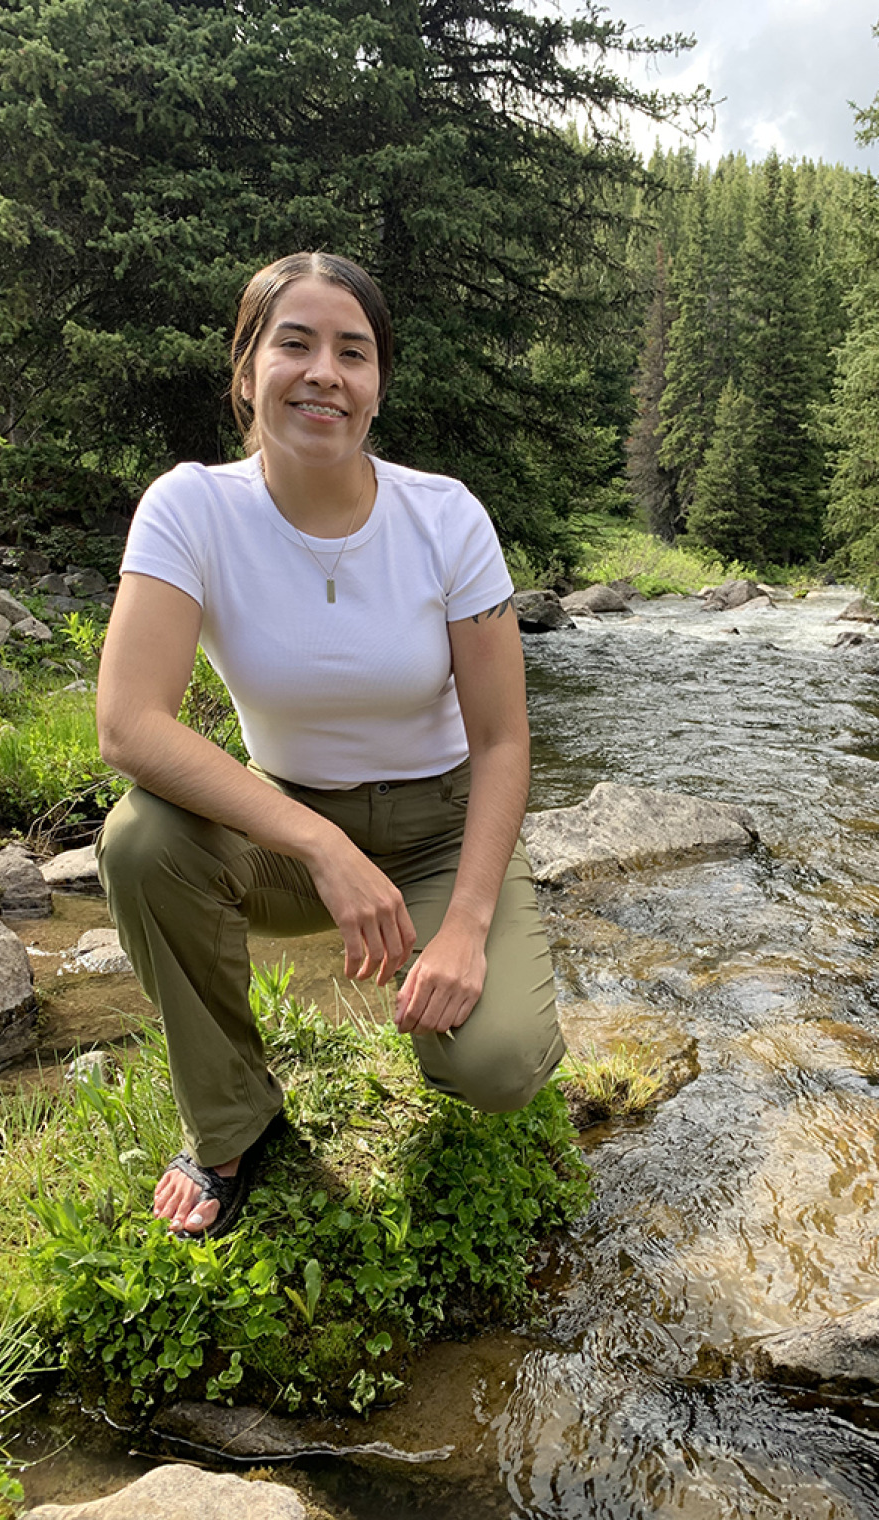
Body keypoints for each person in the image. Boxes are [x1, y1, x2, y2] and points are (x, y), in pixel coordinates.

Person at [95, 251, 564, 1240]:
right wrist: (319, 843)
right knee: (140, 840)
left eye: (354, 352)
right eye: (295, 343)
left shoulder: (446, 519)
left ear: (379, 385)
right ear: (246, 369)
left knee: (496, 1064)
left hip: (441, 826)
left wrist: (469, 923)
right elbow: (128, 722)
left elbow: (503, 740)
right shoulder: (191, 509)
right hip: (287, 825)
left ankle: (468, 982)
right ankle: (231, 1122)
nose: (325, 372)